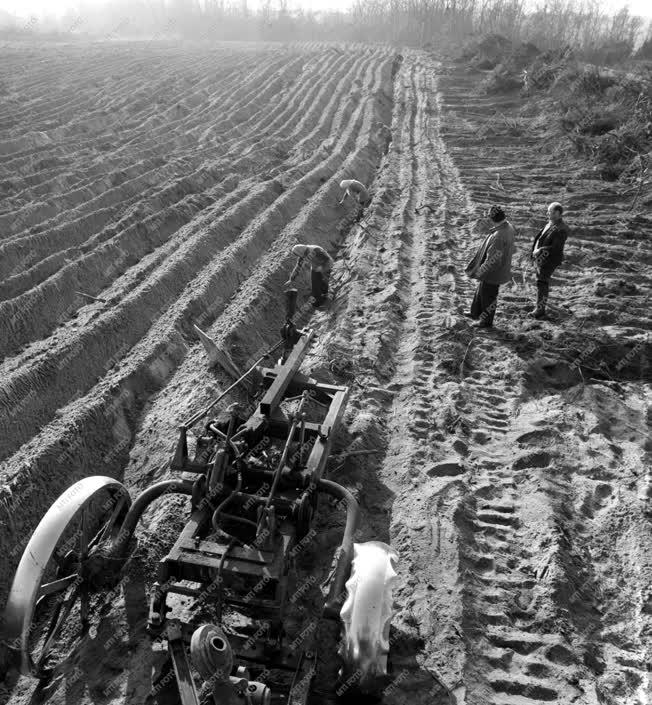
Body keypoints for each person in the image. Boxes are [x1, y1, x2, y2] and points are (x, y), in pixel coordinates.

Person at [465, 205, 516, 328]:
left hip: (494, 273)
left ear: (493, 219)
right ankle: (475, 313)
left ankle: (486, 322)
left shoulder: (499, 235)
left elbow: (493, 260)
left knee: (488, 296)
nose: (488, 219)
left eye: (489, 216)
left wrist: (480, 271)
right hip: (500, 268)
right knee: (481, 290)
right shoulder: (508, 226)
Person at [530, 202, 569, 319]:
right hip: (542, 258)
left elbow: (556, 248)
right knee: (540, 281)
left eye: (549, 211)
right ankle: (539, 307)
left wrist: (540, 250)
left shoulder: (562, 229)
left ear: (557, 213)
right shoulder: (551, 223)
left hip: (549, 260)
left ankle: (540, 310)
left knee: (542, 282)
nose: (547, 213)